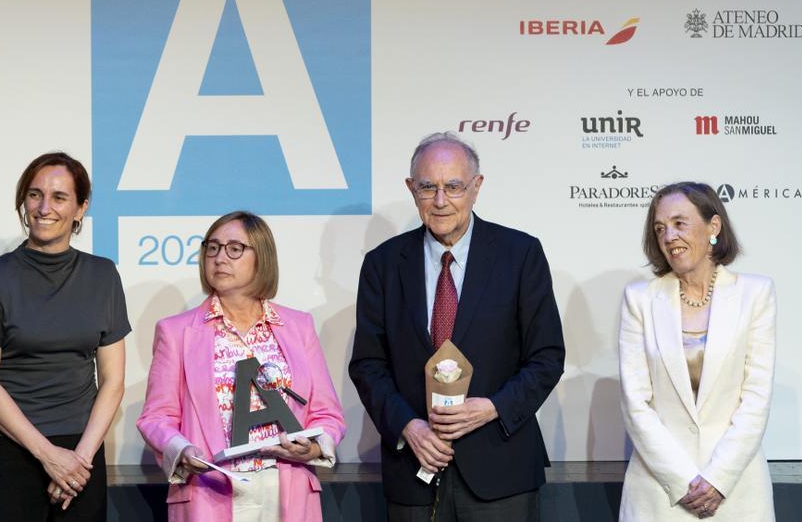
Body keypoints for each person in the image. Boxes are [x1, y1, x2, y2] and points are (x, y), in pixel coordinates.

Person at [349, 132, 565, 521]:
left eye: (453, 186)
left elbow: (546, 357)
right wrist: (408, 427)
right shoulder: (382, 264)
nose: (441, 200)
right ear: (411, 189)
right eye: (428, 187)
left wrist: (493, 407)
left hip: (501, 472)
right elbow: (368, 364)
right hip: (413, 473)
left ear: (476, 187)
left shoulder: (520, 254)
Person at [137, 211, 345, 522]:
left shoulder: (299, 326)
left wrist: (314, 449)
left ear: (261, 257)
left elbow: (327, 413)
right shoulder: (176, 331)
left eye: (235, 248)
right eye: (213, 247)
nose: (220, 258)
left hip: (286, 488)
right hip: (211, 489)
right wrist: (181, 449)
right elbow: (157, 417)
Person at [0, 152, 130, 521]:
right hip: (11, 449)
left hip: (82, 450)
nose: (44, 207)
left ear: (80, 208)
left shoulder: (103, 276)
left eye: (59, 197)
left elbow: (114, 381)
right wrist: (49, 456)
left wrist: (78, 461)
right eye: (35, 194)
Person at [619, 182, 776, 520]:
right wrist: (682, 480)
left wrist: (717, 478)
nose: (669, 236)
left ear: (713, 226)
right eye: (660, 228)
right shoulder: (639, 300)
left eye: (680, 223)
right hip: (660, 493)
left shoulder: (755, 294)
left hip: (736, 491)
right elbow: (636, 404)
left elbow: (756, 399)